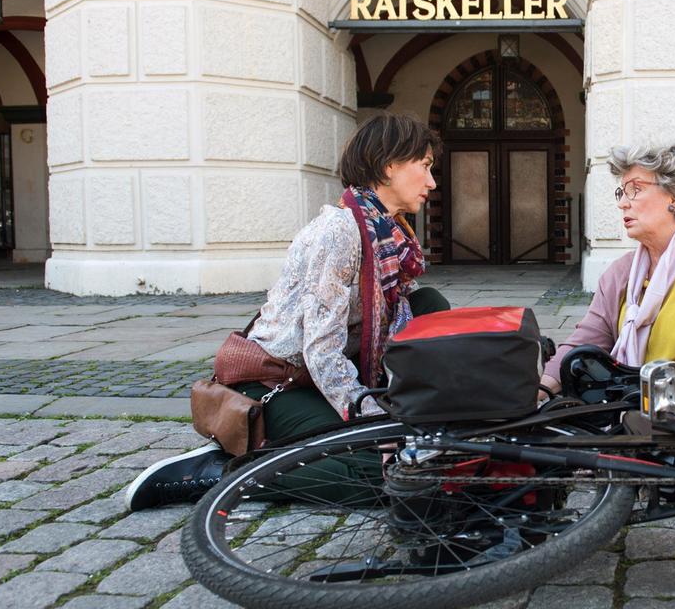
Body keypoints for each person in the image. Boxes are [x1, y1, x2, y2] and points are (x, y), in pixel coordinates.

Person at [125, 112, 448, 511]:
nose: (432, 182)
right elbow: (320, 351)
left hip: (320, 380)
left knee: (429, 305)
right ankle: (224, 475)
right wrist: (378, 423)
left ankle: (413, 422)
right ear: (389, 165)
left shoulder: (391, 236)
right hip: (275, 383)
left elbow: (403, 326)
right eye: (426, 166)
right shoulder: (340, 231)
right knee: (386, 473)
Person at [541, 142, 675, 431]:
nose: (623, 202)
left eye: (635, 189)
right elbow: (584, 343)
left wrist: (634, 406)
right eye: (621, 192)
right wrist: (539, 391)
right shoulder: (621, 272)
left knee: (633, 436)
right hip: (631, 404)